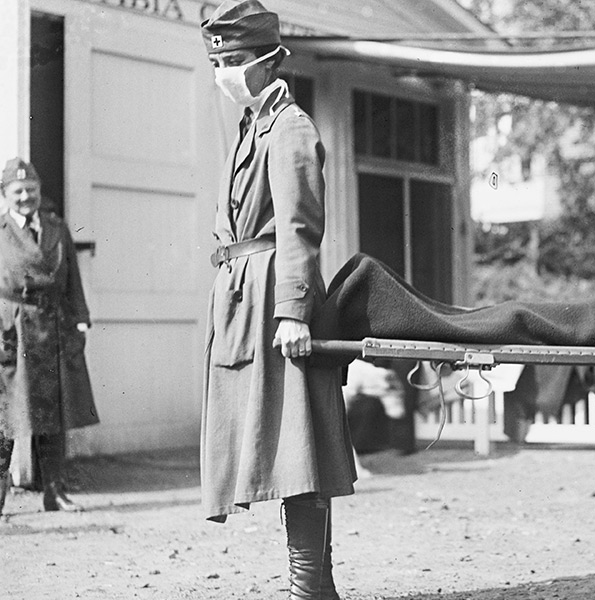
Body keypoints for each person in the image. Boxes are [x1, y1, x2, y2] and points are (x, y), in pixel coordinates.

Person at [199, 2, 355, 598]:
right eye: (217, 61)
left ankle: (308, 588)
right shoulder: (251, 123)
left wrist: (292, 310)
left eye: (235, 60)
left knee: (298, 450)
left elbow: (299, 228)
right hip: (244, 300)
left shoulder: (289, 128)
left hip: (274, 302)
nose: (225, 71)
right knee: (283, 449)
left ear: (269, 60)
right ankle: (319, 588)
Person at [0, 157, 99, 515]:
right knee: (6, 418)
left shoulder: (57, 228)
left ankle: (54, 492)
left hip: (54, 327)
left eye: (31, 190)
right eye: (18, 191)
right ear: (5, 195)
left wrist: (81, 319)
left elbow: (72, 279)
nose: (26, 197)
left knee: (54, 415)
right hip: (13, 332)